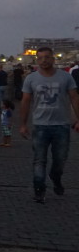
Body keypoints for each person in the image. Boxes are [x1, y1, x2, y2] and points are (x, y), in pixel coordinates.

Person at [19, 46, 79, 203]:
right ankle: (39, 188)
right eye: (40, 58)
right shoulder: (31, 79)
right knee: (39, 160)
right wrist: (23, 124)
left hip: (62, 125)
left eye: (47, 57)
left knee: (60, 159)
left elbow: (74, 98)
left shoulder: (65, 77)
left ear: (53, 59)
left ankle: (55, 177)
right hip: (40, 126)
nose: (43, 60)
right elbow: (25, 101)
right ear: (36, 60)